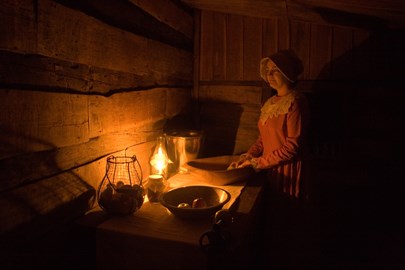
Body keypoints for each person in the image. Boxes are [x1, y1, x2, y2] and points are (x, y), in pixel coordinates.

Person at [230, 49, 317, 269]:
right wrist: (249, 155)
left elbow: (292, 147)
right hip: (273, 168)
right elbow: (263, 138)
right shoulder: (270, 103)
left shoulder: (296, 102)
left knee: (290, 221)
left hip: (290, 170)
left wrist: (259, 163)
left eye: (275, 71)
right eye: (268, 71)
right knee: (275, 221)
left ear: (288, 73)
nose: (270, 75)